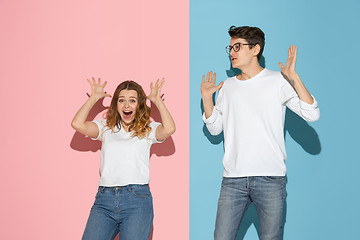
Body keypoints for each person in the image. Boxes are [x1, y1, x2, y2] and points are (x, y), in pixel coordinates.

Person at [201, 26, 320, 240]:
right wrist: (207, 99)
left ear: (255, 49)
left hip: (271, 179)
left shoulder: (277, 81)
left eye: (237, 47)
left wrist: (293, 78)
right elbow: (215, 128)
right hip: (233, 179)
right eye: (230, 47)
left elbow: (312, 114)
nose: (231, 52)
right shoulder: (227, 86)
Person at [71, 77, 175, 240]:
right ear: (116, 104)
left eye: (132, 100)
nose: (127, 105)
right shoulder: (105, 127)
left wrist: (156, 101)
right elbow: (77, 124)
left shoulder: (148, 129)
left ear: (139, 104)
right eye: (121, 100)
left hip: (137, 200)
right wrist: (93, 98)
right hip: (104, 200)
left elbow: (169, 128)